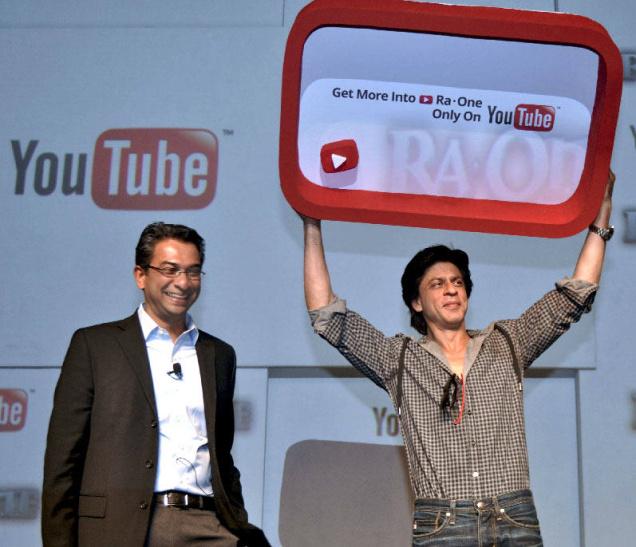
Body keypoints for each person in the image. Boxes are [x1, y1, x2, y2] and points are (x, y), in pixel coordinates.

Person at [301, 172, 615, 546]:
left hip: (513, 518)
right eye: (437, 284)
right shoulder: (399, 359)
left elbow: (574, 296)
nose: (451, 289)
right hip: (442, 525)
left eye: (458, 282)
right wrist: (312, 224)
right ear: (416, 303)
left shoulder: (507, 341)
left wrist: (601, 214)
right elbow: (326, 315)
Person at [42, 222, 269, 547]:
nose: (183, 282)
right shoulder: (95, 345)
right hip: (124, 526)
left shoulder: (219, 355)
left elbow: (222, 455)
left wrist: (238, 520)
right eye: (170, 270)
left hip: (208, 521)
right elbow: (63, 461)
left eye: (193, 271)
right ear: (140, 275)